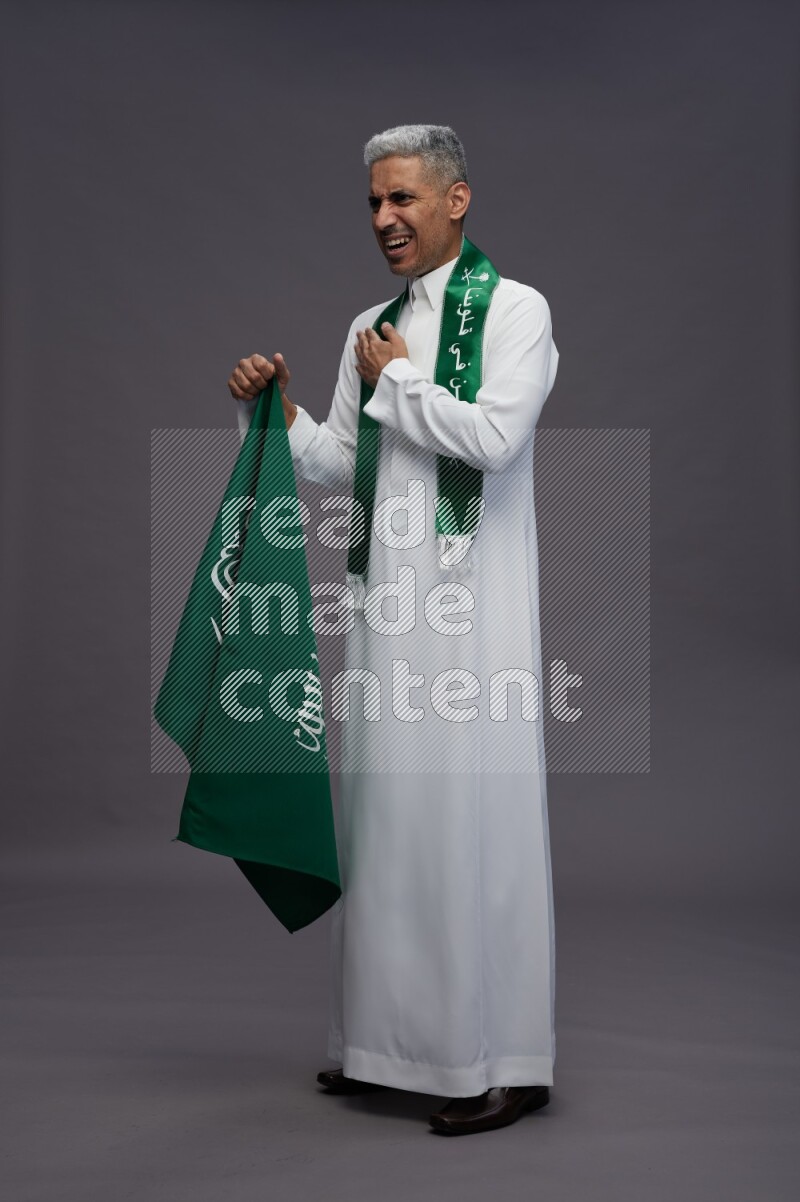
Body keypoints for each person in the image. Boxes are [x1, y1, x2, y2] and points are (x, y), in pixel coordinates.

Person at [228, 124, 560, 1136]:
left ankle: (499, 1056)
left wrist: (403, 381)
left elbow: (496, 438)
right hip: (385, 611)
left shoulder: (513, 310)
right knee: (388, 823)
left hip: (471, 618)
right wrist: (275, 415)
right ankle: (384, 1044)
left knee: (468, 826)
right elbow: (337, 459)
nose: (382, 219)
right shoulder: (368, 326)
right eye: (372, 202)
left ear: (455, 200)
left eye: (402, 199)